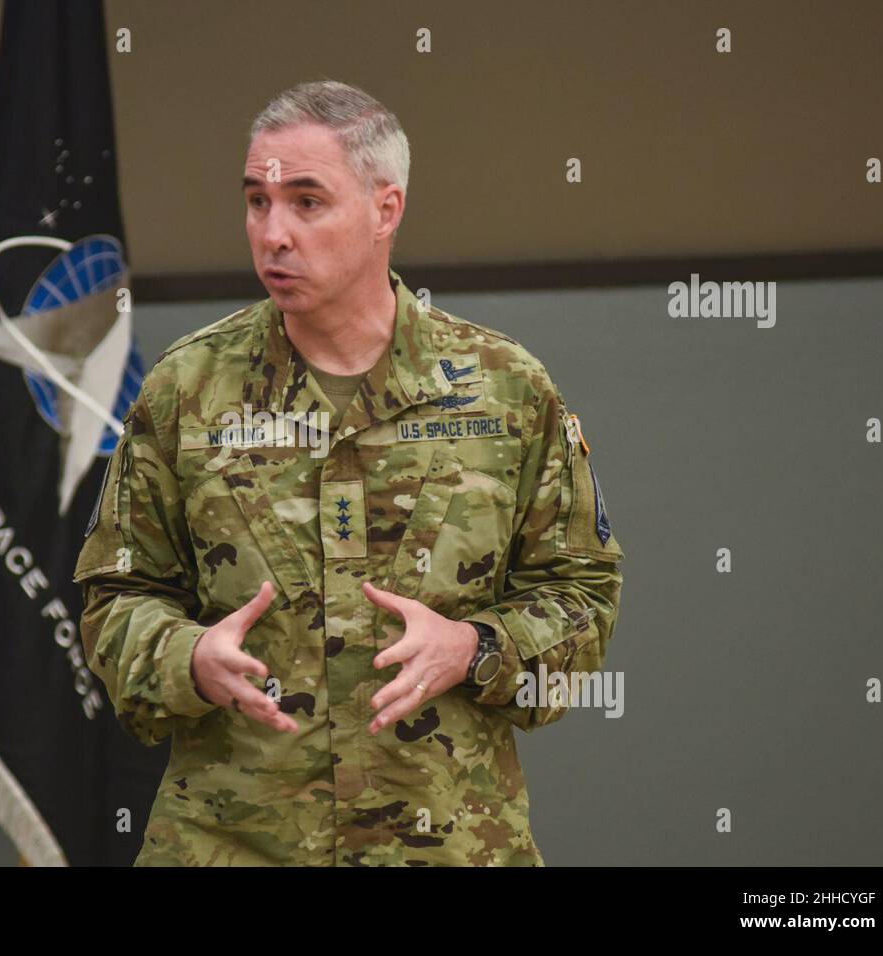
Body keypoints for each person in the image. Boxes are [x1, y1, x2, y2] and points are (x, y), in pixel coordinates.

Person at [74, 79, 624, 866]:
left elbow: (582, 598)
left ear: (385, 209)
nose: (273, 234)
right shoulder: (186, 390)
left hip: (447, 844)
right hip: (233, 843)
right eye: (257, 202)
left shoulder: (505, 387)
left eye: (307, 201)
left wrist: (473, 647)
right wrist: (185, 657)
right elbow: (114, 595)